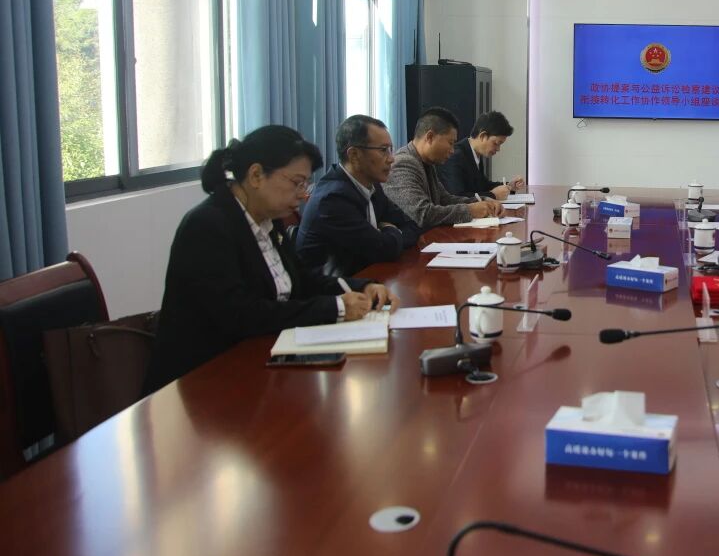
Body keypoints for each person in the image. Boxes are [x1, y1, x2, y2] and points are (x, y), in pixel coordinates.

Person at [145, 125, 397, 392]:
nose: (303, 194)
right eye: (296, 182)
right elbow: (240, 314)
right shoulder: (207, 225)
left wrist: (362, 286)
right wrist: (335, 308)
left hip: (258, 360)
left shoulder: (268, 219)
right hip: (202, 381)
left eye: (305, 184)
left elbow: (302, 280)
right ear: (256, 175)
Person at [295, 115, 422, 277]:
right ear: (354, 155)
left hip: (368, 278)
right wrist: (391, 229)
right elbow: (383, 250)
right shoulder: (333, 198)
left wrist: (388, 237)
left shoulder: (372, 185)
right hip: (333, 288)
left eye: (390, 149)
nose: (391, 158)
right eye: (383, 150)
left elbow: (412, 226)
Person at [384, 107, 504, 229]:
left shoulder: (427, 163)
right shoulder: (404, 163)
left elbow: (445, 199)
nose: (452, 150)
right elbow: (423, 214)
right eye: (450, 143)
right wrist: (470, 210)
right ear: (430, 137)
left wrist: (483, 201)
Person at [439, 110, 526, 200]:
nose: (498, 149)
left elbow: (483, 186)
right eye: (496, 143)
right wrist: (493, 195)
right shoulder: (456, 156)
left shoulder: (475, 153)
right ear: (482, 136)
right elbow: (456, 197)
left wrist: (509, 186)